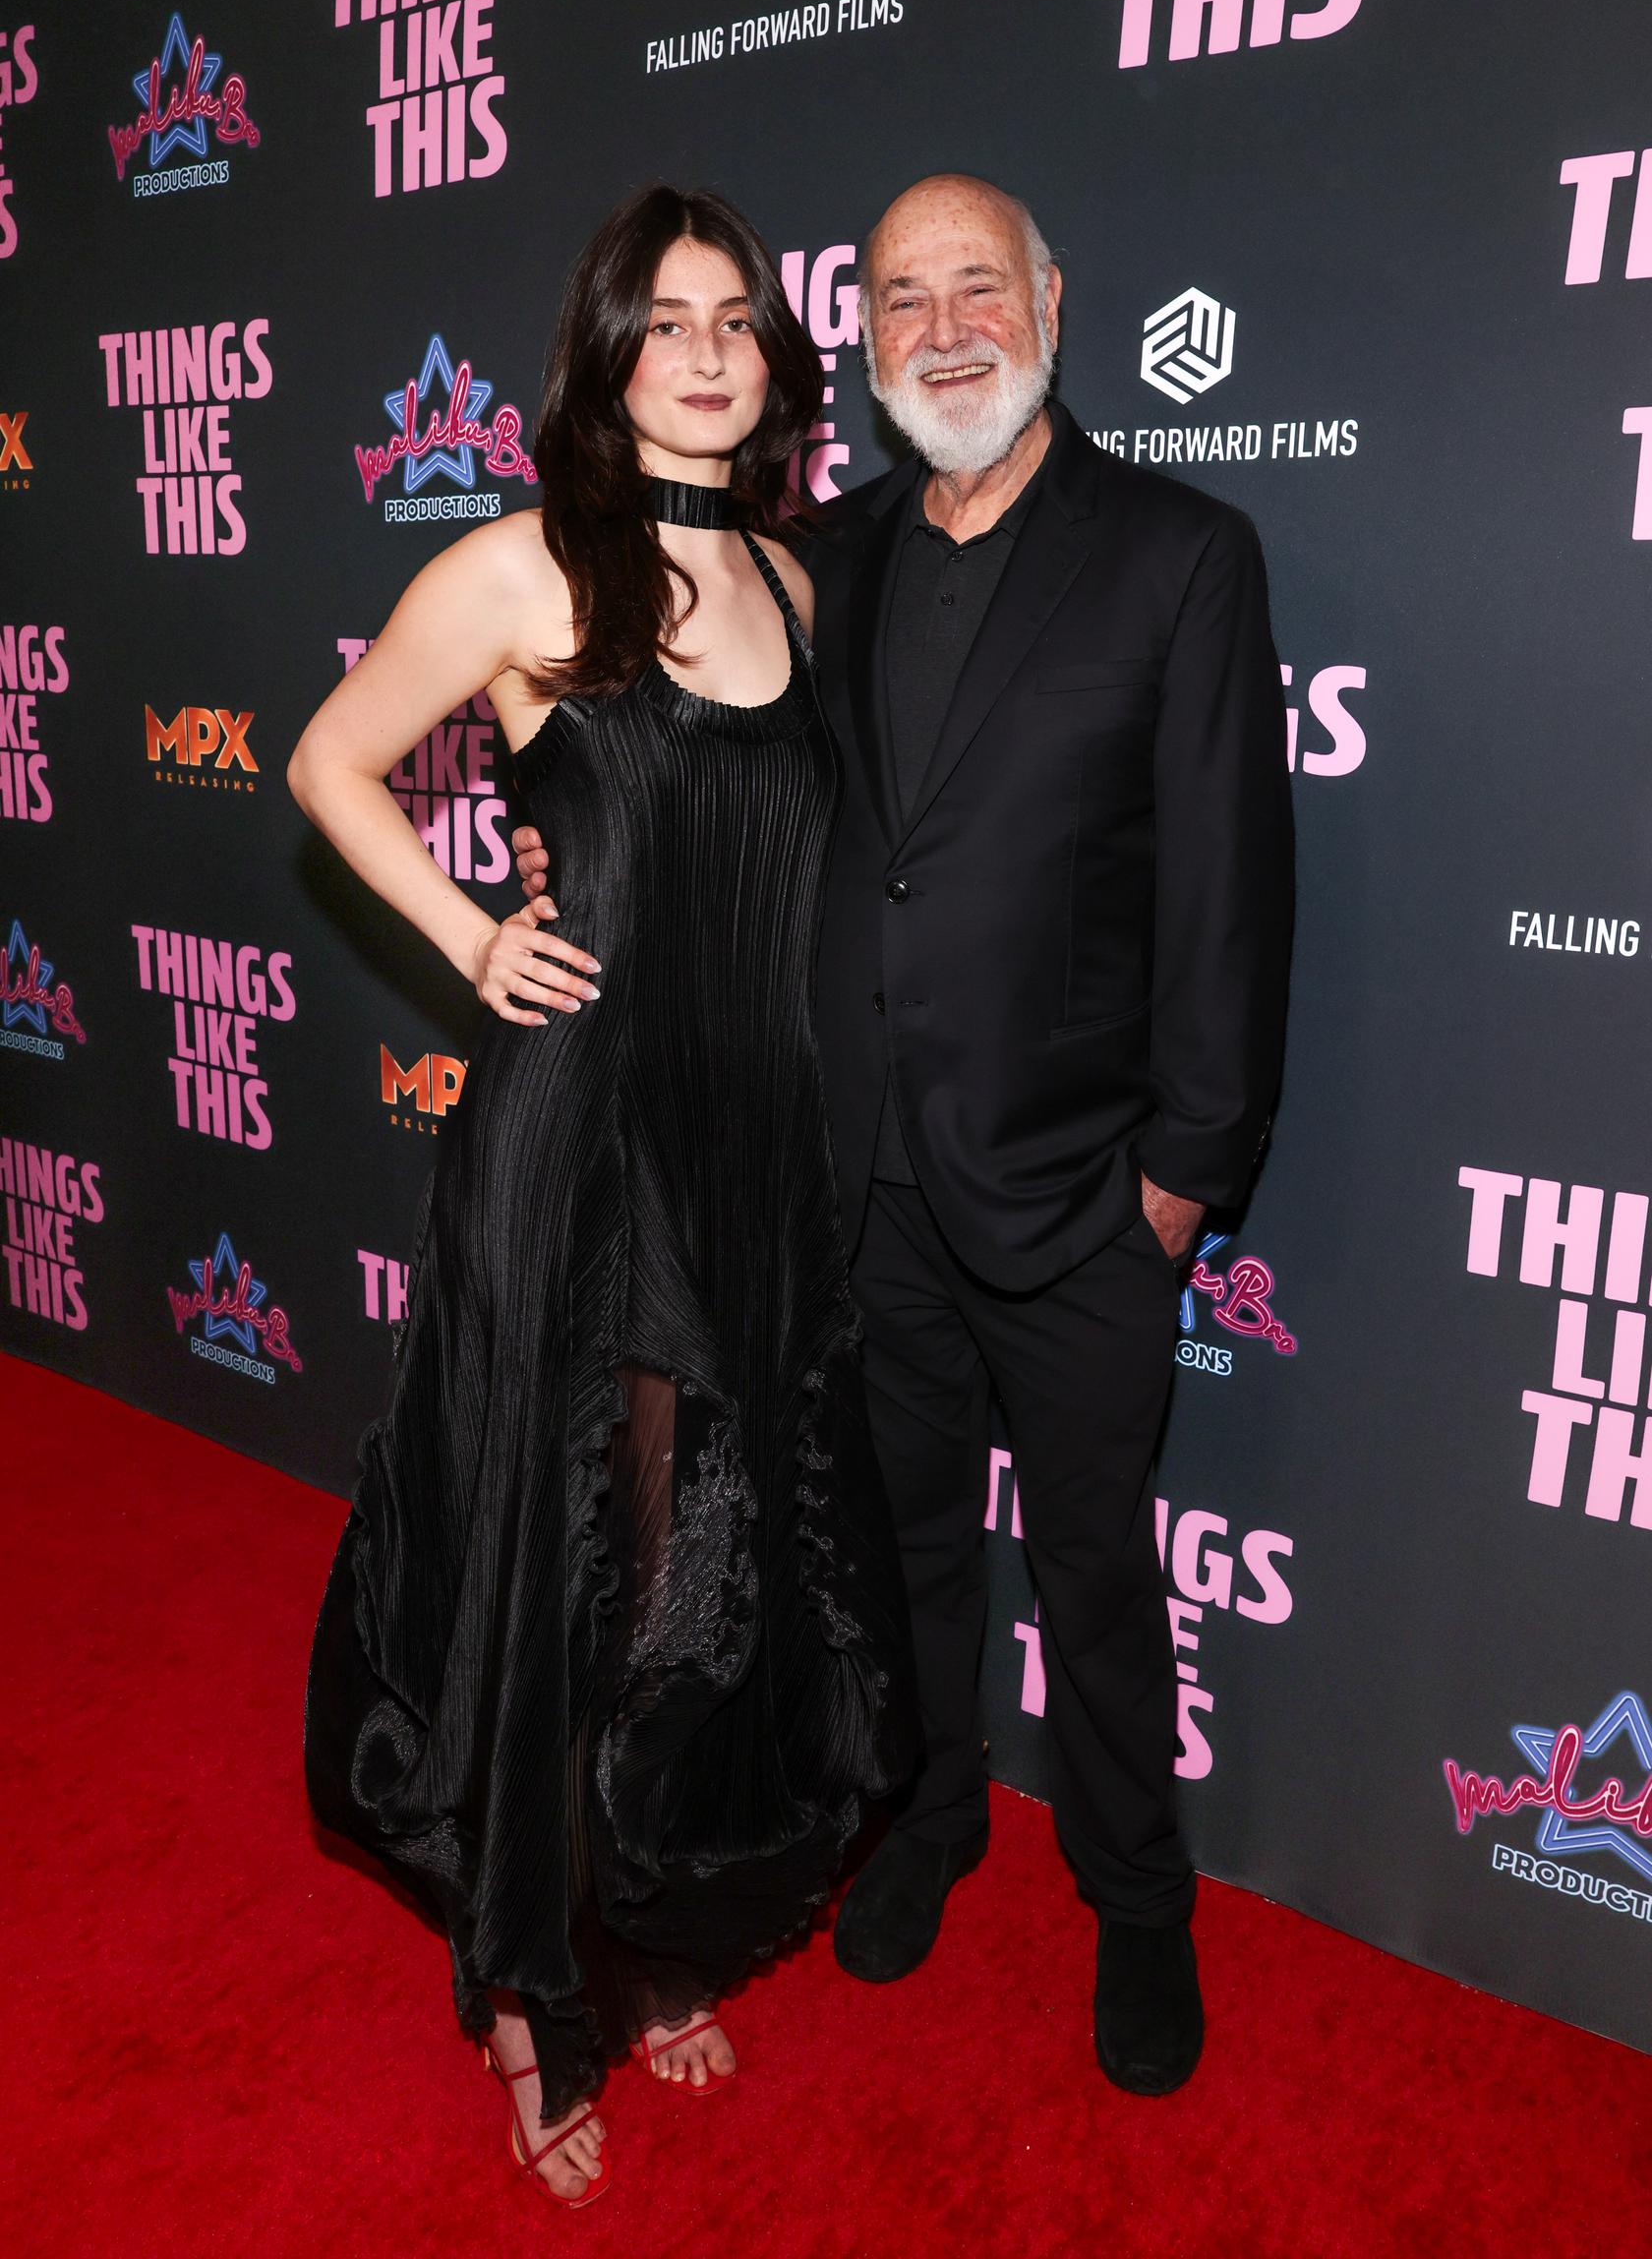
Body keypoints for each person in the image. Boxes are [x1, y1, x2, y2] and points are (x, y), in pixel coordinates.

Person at [510, 173, 1294, 2099]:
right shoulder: (824, 558)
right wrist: (549, 870)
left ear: (1050, 299)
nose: (943, 325)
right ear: (854, 343)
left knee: (1101, 1585)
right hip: (862, 1183)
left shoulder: (1183, 553)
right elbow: (686, 776)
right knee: (912, 1553)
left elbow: (1231, 890)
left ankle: (1138, 1902)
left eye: (977, 286)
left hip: (1086, 1197)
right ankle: (931, 1821)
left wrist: (1184, 1177)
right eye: (898, 296)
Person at [292, 184, 914, 2209]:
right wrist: (478, 940)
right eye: (670, 322)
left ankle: (645, 1932)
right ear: (606, 353)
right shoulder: (520, 566)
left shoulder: (805, 591)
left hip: (752, 1145)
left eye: (740, 317)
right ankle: (535, 2000)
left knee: (704, 1573)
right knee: (587, 1554)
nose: (714, 350)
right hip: (583, 1143)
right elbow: (327, 763)